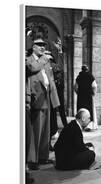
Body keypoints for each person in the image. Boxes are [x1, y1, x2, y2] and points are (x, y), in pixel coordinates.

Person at [26, 37, 60, 168]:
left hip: (47, 97)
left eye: (44, 45)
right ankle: (33, 160)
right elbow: (32, 68)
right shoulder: (30, 60)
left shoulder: (45, 61)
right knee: (36, 130)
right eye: (39, 45)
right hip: (36, 97)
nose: (42, 47)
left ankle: (43, 156)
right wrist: (44, 59)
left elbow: (50, 79)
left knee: (46, 130)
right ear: (33, 47)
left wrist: (55, 99)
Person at [74, 65, 97, 131]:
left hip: (80, 96)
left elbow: (75, 87)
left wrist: (78, 93)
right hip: (88, 96)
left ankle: (80, 125)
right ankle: (89, 125)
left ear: (81, 69)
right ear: (87, 69)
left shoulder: (78, 77)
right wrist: (93, 93)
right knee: (89, 109)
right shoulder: (90, 76)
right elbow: (94, 86)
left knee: (80, 110)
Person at [51, 37, 68, 128]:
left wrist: (60, 50)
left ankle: (63, 125)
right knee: (54, 110)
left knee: (59, 109)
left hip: (57, 88)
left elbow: (60, 67)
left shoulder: (53, 65)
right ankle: (54, 128)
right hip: (51, 90)